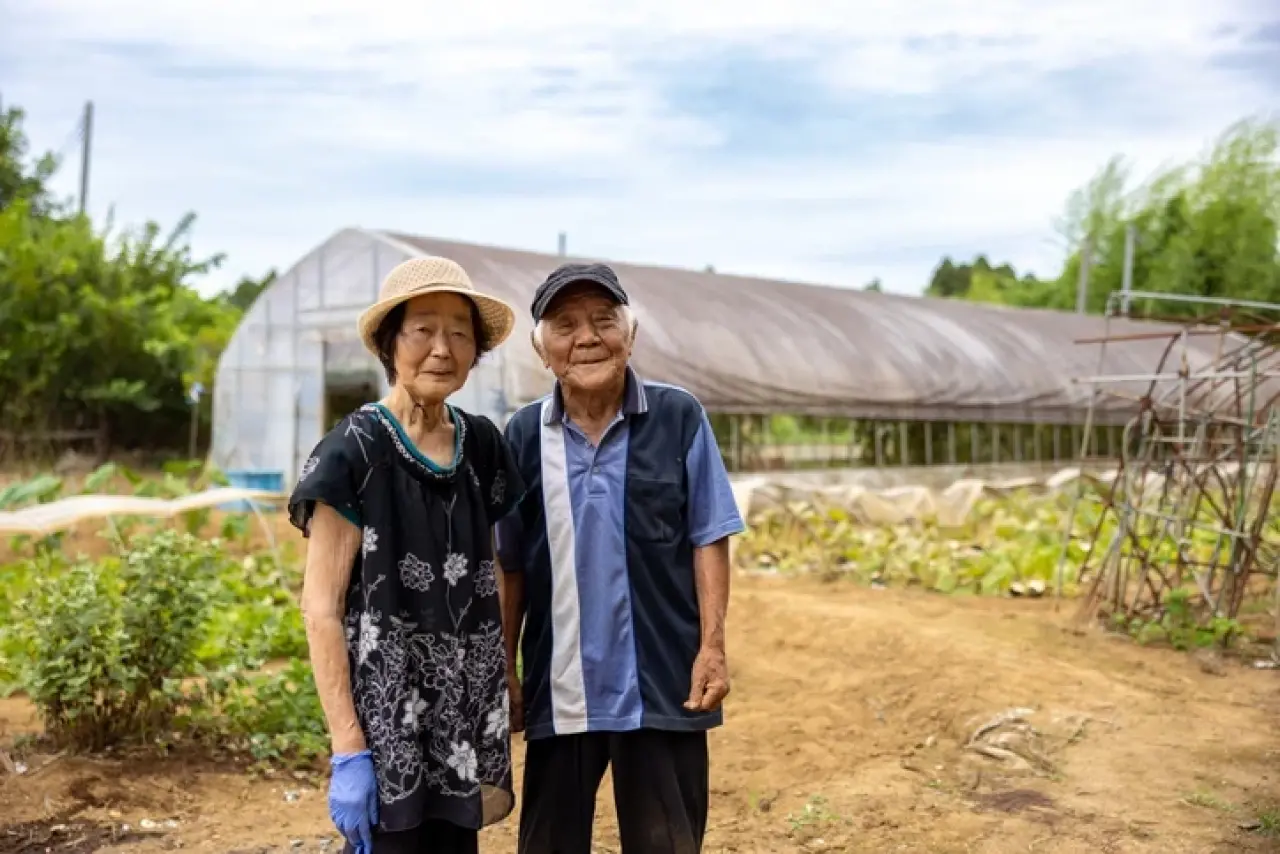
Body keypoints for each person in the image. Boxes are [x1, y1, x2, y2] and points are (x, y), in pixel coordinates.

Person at [494, 262, 746, 854]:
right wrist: (505, 667)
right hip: (561, 686)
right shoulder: (523, 435)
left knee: (668, 843)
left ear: (630, 335)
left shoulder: (678, 416)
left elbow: (709, 535)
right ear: (542, 348)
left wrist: (712, 647)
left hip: (663, 682)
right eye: (565, 325)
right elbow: (511, 564)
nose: (586, 338)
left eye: (603, 321)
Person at [291, 257, 525, 854]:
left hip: (464, 715)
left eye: (460, 333)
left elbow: (495, 570)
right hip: (386, 720)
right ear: (391, 343)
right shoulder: (354, 451)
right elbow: (320, 608)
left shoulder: (484, 448)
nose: (442, 349)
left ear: (476, 351)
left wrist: (503, 674)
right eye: (423, 330)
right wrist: (348, 749)